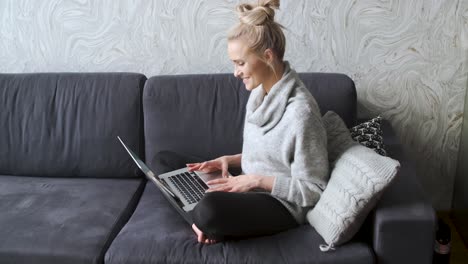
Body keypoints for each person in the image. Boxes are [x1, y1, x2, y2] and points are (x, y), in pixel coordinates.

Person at [158, 0, 329, 244]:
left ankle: (202, 218)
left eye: (240, 63)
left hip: (279, 204)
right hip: (247, 186)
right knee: (163, 161)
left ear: (267, 57)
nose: (235, 72)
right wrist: (230, 160)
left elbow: (314, 189)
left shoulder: (302, 114)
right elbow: (272, 154)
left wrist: (256, 180)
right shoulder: (258, 95)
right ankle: (201, 221)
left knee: (210, 208)